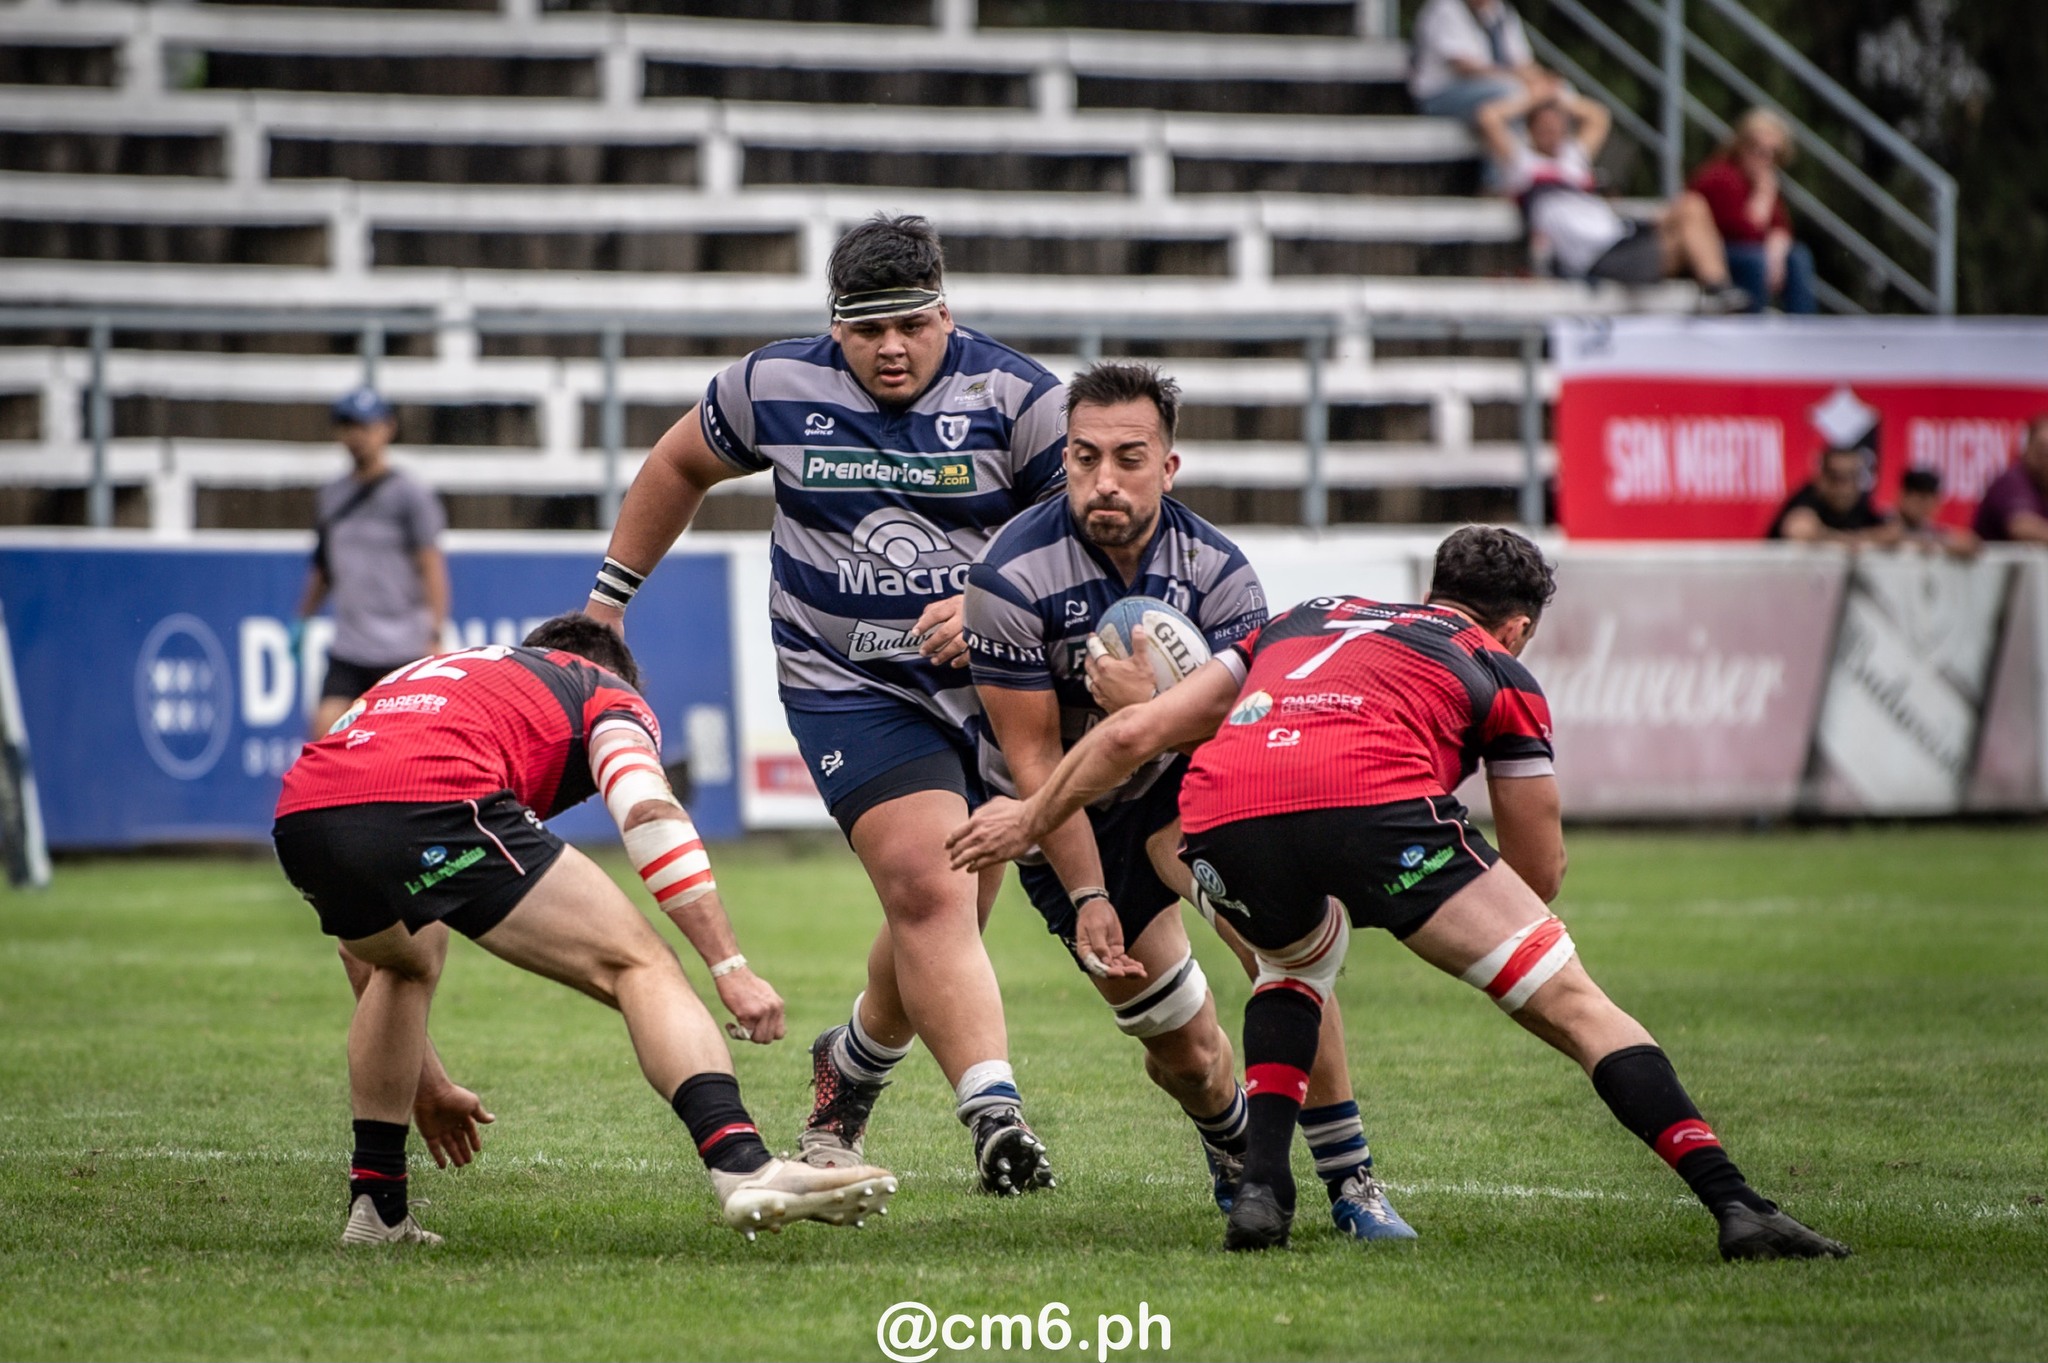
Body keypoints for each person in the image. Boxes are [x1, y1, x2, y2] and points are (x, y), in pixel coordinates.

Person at [948, 527, 1850, 1263]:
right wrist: (1494, 937)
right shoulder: (1500, 670)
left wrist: (1029, 819)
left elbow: (1133, 732)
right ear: (1520, 627)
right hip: (1374, 806)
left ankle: (1263, 1189)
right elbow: (1539, 862)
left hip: (1221, 811)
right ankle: (1737, 1206)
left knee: (1294, 960)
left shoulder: (1304, 618)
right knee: (1577, 1004)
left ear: (1430, 586)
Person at [580, 214, 1069, 1195]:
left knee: (949, 912)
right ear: (833, 327)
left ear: (946, 313)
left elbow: (1082, 540)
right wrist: (607, 600)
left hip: (993, 683)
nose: (891, 348)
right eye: (865, 328)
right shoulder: (773, 386)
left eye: (912, 325)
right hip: (844, 683)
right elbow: (678, 462)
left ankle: (846, 1066)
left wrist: (993, 607)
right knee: (930, 887)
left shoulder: (1020, 399)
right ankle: (994, 1113)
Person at [962, 362, 1413, 1241]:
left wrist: (1147, 711)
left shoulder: (1222, 576)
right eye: (1084, 456)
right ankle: (1233, 1140)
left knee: (1284, 956)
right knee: (1189, 1055)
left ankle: (1353, 1178)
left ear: (1168, 466)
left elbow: (1246, 736)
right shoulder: (1009, 576)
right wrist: (1090, 895)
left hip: (1189, 790)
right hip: (1067, 812)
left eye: (1130, 458)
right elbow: (1034, 760)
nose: (1104, 480)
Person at [273, 614, 896, 1246]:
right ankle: (743, 1165)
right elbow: (650, 814)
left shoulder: (454, 678)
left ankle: (377, 1207)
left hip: (304, 818)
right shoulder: (600, 688)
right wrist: (729, 966)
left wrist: (427, 1086)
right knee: (640, 965)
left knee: (402, 960)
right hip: (432, 799)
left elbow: (364, 955)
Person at [1478, 88, 1748, 310]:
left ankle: (1718, 288)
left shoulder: (1573, 157)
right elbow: (1489, 116)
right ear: (1531, 130)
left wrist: (1559, 97)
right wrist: (1534, 99)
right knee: (1688, 233)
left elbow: (1598, 116)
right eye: (1544, 127)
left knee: (1692, 205)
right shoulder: (1520, 163)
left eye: (1557, 126)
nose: (1551, 132)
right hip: (1597, 255)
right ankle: (1717, 291)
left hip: (1618, 235)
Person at [293, 388, 451, 739]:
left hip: (403, 646)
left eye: (365, 426)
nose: (356, 436)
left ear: (387, 429)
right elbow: (324, 567)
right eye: (348, 426)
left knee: (405, 744)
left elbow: (431, 566)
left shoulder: (410, 495)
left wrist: (435, 631)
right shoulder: (331, 496)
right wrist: (302, 619)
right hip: (351, 646)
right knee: (325, 736)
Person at [1688, 109, 1817, 314]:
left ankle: (1802, 328)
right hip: (1716, 253)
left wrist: (1776, 252)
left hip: (1748, 250)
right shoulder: (1721, 177)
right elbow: (1743, 232)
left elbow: (1780, 226)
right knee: (1755, 260)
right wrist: (1764, 196)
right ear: (1741, 146)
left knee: (1797, 256)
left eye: (1773, 153)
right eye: (1757, 149)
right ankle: (1752, 328)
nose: (1764, 159)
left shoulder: (1757, 181)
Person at [1408, 0, 1559, 125]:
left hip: (1489, 86)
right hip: (1440, 93)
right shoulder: (1445, 8)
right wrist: (1519, 79)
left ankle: (1562, 159)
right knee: (1510, 94)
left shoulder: (1501, 11)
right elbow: (1464, 67)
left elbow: (1522, 62)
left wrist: (1542, 80)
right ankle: (1510, 160)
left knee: (1560, 91)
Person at [1766, 446, 1898, 544]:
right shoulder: (1808, 498)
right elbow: (1798, 529)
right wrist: (1847, 541)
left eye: (1852, 477)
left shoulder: (1860, 503)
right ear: (1822, 479)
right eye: (1837, 478)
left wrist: (1860, 538)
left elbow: (1892, 532)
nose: (1845, 488)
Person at [1973, 415, 2048, 544]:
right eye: (2042, 450)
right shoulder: (2011, 482)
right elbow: (2022, 527)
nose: (2045, 459)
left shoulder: (2042, 485)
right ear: (2027, 447)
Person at [1894, 468, 1979, 556]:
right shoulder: (1885, 521)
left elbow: (1971, 542)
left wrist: (1942, 544)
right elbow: (1885, 535)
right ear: (1903, 496)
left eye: (1932, 499)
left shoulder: (1933, 531)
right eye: (1921, 498)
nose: (1925, 506)